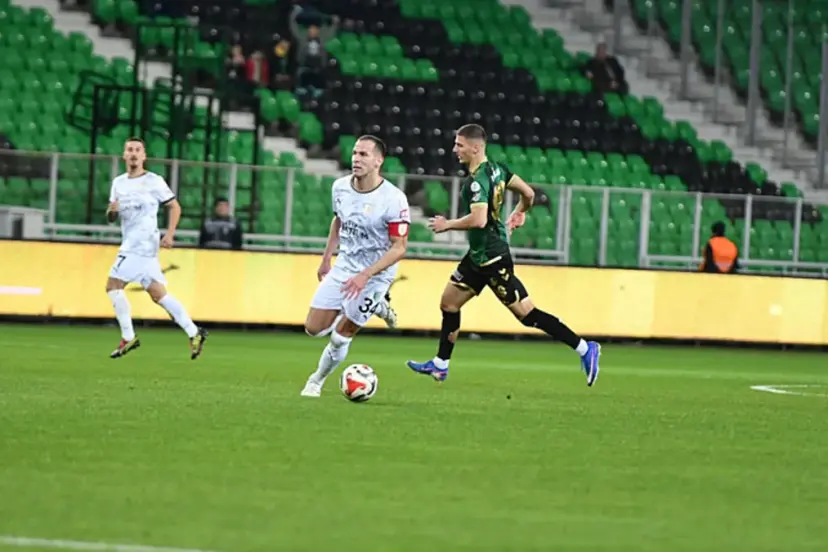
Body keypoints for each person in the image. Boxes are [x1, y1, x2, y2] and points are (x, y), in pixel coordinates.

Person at [406, 124, 601, 386]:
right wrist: (521, 211)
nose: (455, 150)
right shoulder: (498, 169)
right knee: (449, 303)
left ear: (476, 147)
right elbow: (528, 193)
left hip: (493, 259)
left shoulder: (477, 182)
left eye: (460, 145)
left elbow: (479, 220)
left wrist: (447, 224)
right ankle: (440, 364)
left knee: (527, 315)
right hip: (478, 256)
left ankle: (585, 348)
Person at [300, 135, 410, 397]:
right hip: (344, 267)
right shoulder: (340, 187)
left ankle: (316, 381)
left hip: (376, 275)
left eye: (363, 155)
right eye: (354, 153)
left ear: (378, 161)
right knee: (313, 328)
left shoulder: (393, 199)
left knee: (340, 336)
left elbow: (399, 247)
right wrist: (326, 258)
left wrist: (366, 275)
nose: (356, 159)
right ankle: (377, 306)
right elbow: (338, 221)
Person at [105, 137, 208, 360]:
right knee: (158, 294)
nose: (133, 153)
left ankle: (128, 337)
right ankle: (194, 332)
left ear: (144, 156)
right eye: (130, 149)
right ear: (124, 155)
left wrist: (170, 234)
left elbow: (174, 206)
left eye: (137, 150)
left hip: (141, 245)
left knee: (113, 286)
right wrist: (112, 212)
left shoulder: (154, 181)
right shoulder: (118, 183)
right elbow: (111, 216)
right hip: (134, 244)